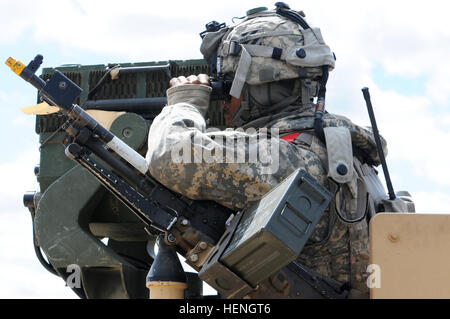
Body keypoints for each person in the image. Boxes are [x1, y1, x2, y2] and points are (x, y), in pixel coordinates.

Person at [145, 4, 410, 298]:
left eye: (230, 87)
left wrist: (185, 103)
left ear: (257, 88)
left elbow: (169, 154)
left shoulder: (291, 158)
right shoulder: (341, 151)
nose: (225, 102)